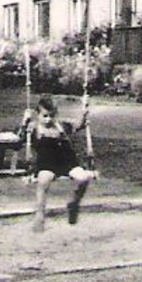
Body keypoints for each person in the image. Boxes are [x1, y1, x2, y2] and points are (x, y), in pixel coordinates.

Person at [20, 94, 96, 232]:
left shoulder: (61, 126)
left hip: (67, 161)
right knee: (44, 180)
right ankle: (40, 214)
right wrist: (24, 122)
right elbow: (19, 139)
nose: (48, 119)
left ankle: (74, 203)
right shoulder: (34, 128)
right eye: (45, 116)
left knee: (83, 178)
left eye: (51, 115)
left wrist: (84, 111)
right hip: (47, 163)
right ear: (37, 114)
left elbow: (79, 125)